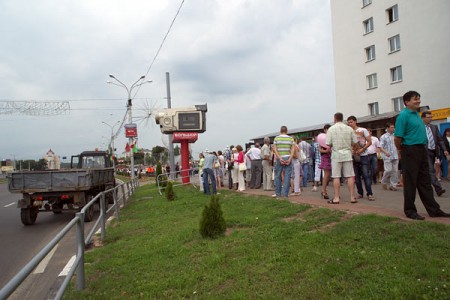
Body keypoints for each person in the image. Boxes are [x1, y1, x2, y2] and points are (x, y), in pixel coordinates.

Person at [394, 90, 450, 220]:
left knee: (425, 182)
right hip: (410, 150)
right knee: (410, 182)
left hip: (422, 150)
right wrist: (401, 150)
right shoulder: (403, 116)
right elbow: (397, 138)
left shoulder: (416, 114)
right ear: (407, 102)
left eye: (419, 98)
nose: (418, 101)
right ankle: (410, 211)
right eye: (415, 99)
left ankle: (434, 210)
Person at [326, 112, 357, 204]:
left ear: (335, 118)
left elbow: (328, 143)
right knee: (350, 176)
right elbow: (355, 141)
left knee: (336, 176)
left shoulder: (331, 129)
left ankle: (336, 198)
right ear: (342, 119)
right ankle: (352, 197)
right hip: (347, 154)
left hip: (336, 155)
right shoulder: (349, 129)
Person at [347, 115, 375, 201]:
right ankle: (360, 193)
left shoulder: (363, 130)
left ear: (355, 121)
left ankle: (369, 193)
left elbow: (369, 142)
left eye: (351, 122)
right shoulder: (348, 132)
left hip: (363, 155)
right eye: (348, 123)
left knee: (366, 175)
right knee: (356, 177)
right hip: (353, 156)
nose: (350, 124)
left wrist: (363, 149)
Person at [421, 111, 448, 196]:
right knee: (431, 170)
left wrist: (444, 150)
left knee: (426, 171)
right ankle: (438, 189)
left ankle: (422, 186)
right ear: (423, 118)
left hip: (434, 151)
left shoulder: (434, 127)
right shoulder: (419, 127)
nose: (431, 119)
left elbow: (440, 140)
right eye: (428, 117)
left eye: (431, 117)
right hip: (424, 151)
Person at [273, 126, 294, 199]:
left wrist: (279, 158)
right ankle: (285, 194)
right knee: (287, 176)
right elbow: (292, 150)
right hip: (288, 157)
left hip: (280, 158)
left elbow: (275, 149)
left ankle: (278, 194)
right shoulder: (290, 138)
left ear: (280, 131)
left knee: (278, 176)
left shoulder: (276, 138)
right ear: (287, 131)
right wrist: (290, 159)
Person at [379, 122, 399, 191]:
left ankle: (393, 185)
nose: (393, 129)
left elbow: (398, 145)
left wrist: (399, 153)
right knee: (388, 170)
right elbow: (380, 147)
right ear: (387, 128)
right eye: (391, 127)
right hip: (387, 156)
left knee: (395, 171)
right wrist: (385, 152)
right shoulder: (383, 137)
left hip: (395, 155)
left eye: (393, 127)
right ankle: (383, 181)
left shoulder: (395, 135)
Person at [319, 124, 332, 199]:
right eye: (327, 129)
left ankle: (335, 192)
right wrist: (326, 150)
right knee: (326, 174)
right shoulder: (322, 138)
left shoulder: (332, 137)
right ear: (324, 130)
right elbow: (320, 149)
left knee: (334, 175)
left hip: (333, 156)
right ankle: (324, 191)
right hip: (325, 156)